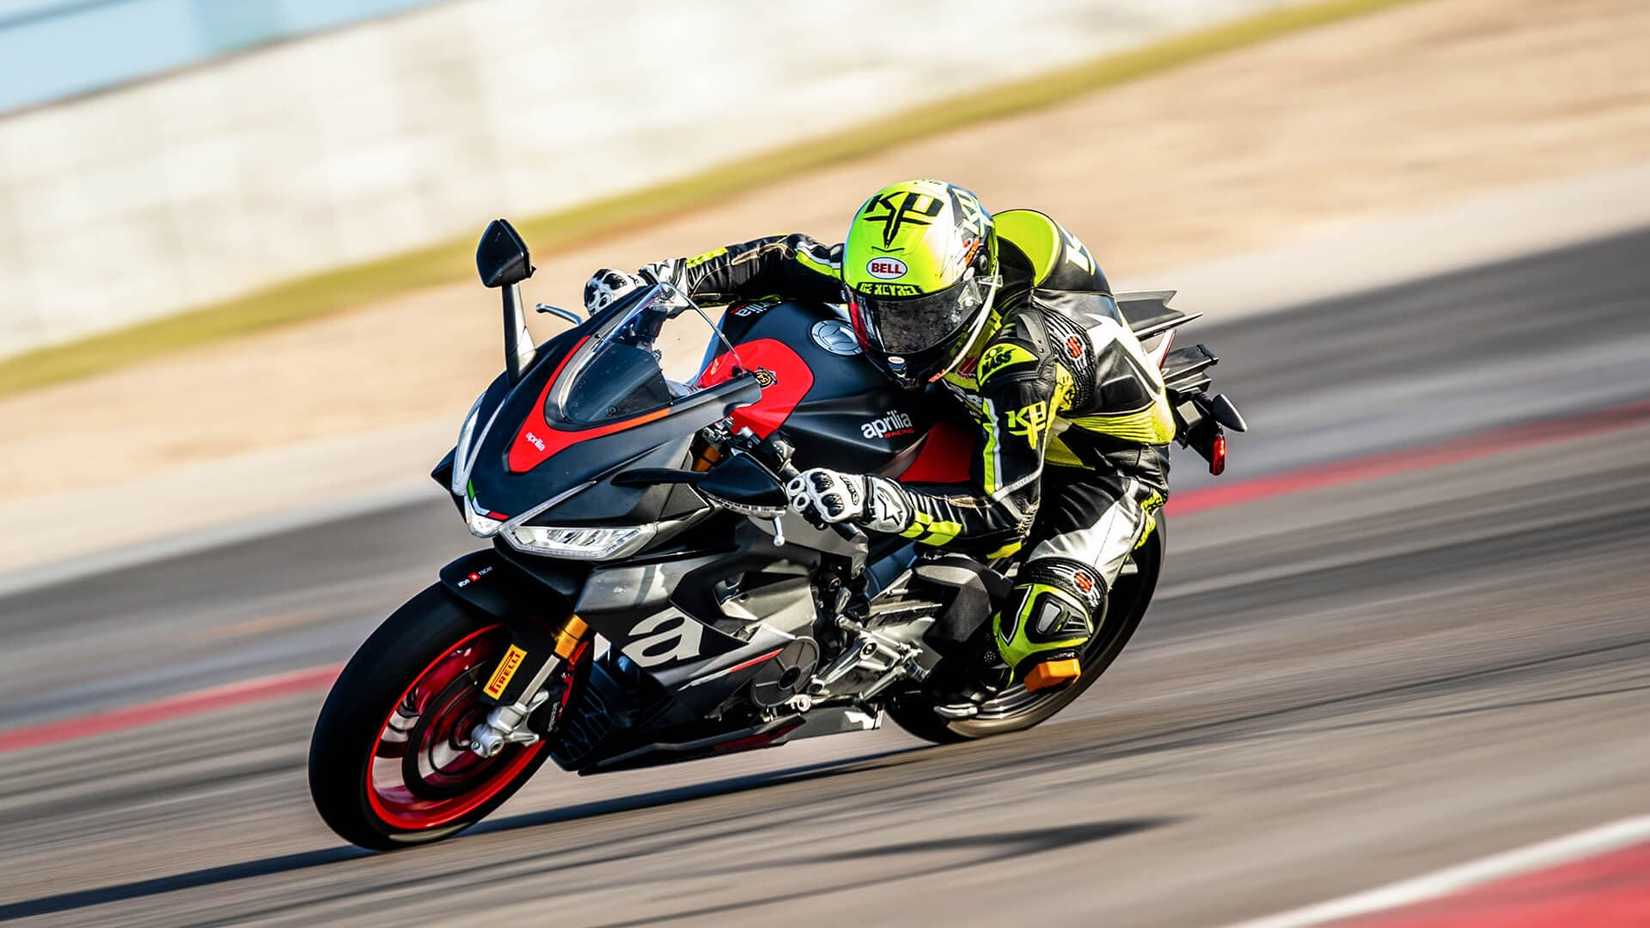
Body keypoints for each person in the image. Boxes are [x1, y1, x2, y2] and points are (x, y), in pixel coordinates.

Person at [584, 179, 1171, 703]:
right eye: (881, 313)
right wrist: (659, 286)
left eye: (921, 318)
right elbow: (783, 260)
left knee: (1041, 624)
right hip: (961, 397)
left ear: (973, 287)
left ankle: (981, 665)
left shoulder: (1020, 364)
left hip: (1095, 460)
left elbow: (1006, 511)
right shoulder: (902, 275)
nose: (897, 336)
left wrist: (870, 498)